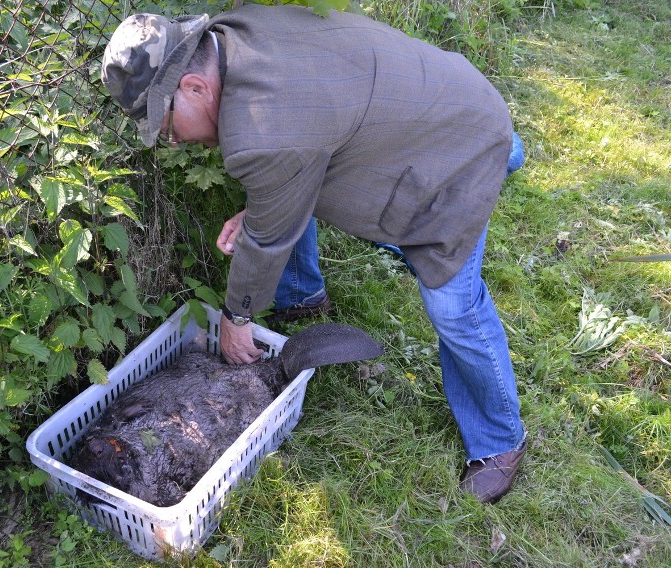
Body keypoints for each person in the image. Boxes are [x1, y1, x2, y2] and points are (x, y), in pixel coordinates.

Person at [101, 4, 527, 504]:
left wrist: (236, 317)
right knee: (277, 203)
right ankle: (303, 297)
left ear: (195, 86)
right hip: (420, 101)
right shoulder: (239, 34)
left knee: (453, 305)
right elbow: (289, 160)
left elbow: (273, 186)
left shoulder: (264, 127)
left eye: (167, 122)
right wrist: (263, 207)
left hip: (457, 144)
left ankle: (500, 441)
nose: (171, 140)